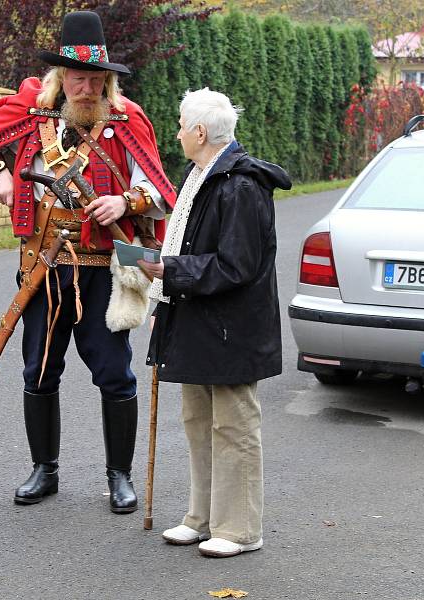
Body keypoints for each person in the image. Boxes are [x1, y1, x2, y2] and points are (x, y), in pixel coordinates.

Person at [0, 11, 176, 513]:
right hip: (42, 269)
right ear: (60, 78)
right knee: (38, 370)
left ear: (107, 81)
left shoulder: (128, 120)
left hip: (102, 270)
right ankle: (44, 470)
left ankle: (119, 477)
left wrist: (125, 203)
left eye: (95, 79)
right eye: (77, 78)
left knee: (115, 373)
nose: (86, 88)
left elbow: (159, 191)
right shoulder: (32, 112)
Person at [139, 88, 291, 557]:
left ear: (200, 132)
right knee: (198, 420)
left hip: (231, 328)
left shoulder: (240, 185)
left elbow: (236, 265)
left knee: (234, 427)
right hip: (197, 319)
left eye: (182, 125)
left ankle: (241, 529)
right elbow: (185, 246)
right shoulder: (201, 174)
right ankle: (201, 518)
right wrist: (164, 292)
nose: (178, 132)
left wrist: (169, 271)